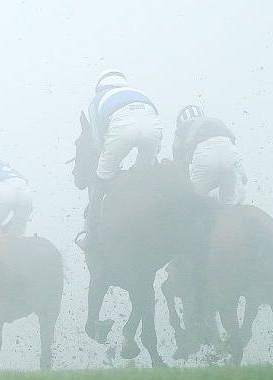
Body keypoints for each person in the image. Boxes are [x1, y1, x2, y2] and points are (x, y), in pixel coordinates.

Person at [79, 70, 163, 251]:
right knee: (143, 176)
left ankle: (91, 237)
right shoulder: (140, 94)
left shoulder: (97, 100)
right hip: (152, 130)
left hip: (121, 131)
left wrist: (109, 164)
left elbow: (97, 139)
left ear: (100, 87)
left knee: (100, 179)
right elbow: (157, 129)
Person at [173, 105, 248, 205]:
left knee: (196, 199)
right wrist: (241, 174)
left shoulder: (182, 128)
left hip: (203, 154)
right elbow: (233, 151)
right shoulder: (215, 121)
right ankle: (227, 200)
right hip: (228, 147)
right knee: (238, 194)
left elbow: (179, 162)